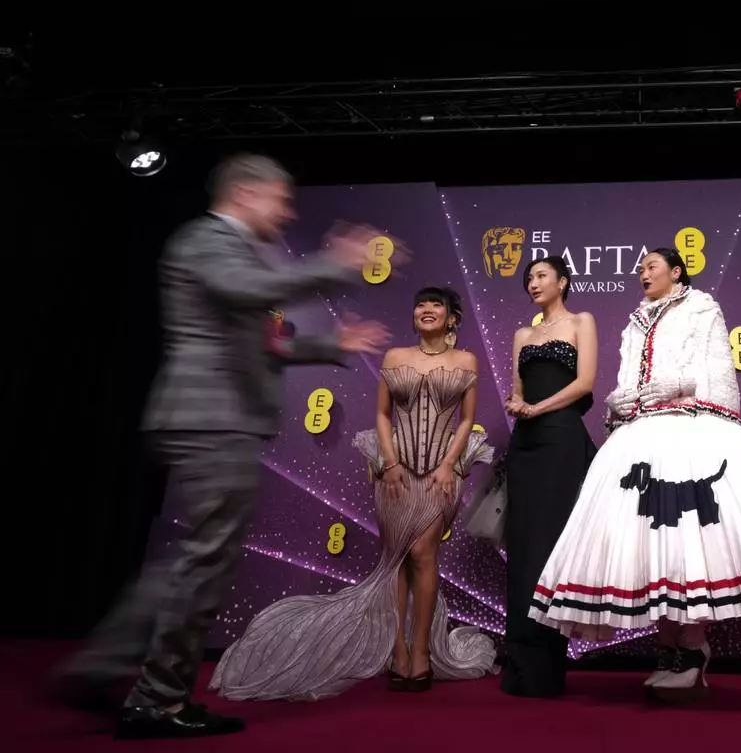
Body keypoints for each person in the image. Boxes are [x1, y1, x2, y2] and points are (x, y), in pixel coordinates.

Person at [55, 154, 398, 739]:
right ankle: (155, 701)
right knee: (205, 560)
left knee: (197, 559)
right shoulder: (208, 241)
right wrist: (334, 265)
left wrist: (328, 344)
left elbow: (260, 345)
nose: (287, 212)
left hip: (216, 417)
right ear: (245, 193)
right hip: (210, 417)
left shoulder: (228, 249)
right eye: (280, 199)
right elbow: (249, 291)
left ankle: (108, 669)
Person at [528, 248, 741, 704]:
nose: (643, 274)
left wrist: (681, 386)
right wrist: (621, 402)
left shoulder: (702, 309)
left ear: (676, 272)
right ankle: (668, 649)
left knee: (689, 544)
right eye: (640, 268)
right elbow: (627, 376)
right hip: (642, 435)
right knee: (653, 545)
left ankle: (693, 646)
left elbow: (717, 368)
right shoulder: (634, 321)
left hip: (688, 429)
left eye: (651, 267)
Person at [209, 286, 498, 700]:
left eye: (436, 304)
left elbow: (467, 420)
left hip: (441, 475)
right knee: (395, 560)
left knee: (423, 555)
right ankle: (397, 651)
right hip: (393, 473)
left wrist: (449, 464)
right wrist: (392, 464)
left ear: (452, 317)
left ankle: (421, 653)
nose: (426, 310)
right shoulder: (395, 358)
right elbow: (382, 414)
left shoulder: (465, 360)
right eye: (420, 304)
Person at [500, 256, 598, 698]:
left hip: (561, 440)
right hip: (525, 444)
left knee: (551, 547)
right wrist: (518, 404)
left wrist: (539, 409)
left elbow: (585, 385)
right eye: (528, 278)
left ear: (563, 281)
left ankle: (547, 667)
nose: (533, 283)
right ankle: (519, 664)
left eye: (540, 276)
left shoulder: (582, 321)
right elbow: (518, 389)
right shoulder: (522, 333)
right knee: (521, 548)